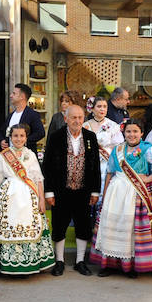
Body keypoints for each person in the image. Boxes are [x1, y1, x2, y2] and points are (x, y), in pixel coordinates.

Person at [91, 120, 152, 276]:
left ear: (142, 133)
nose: (132, 135)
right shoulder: (118, 149)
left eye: (135, 131)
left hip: (136, 193)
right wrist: (106, 192)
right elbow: (109, 171)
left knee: (131, 230)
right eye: (129, 131)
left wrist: (149, 179)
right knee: (112, 226)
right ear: (124, 133)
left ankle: (130, 266)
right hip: (116, 192)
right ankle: (109, 264)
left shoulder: (147, 149)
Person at [44, 103, 102, 275]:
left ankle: (80, 261)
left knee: (83, 225)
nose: (77, 121)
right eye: (73, 117)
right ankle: (59, 261)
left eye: (80, 117)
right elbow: (47, 165)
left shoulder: (90, 137)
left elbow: (95, 166)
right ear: (66, 119)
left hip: (83, 191)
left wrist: (94, 191)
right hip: (61, 190)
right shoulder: (55, 137)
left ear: (84, 119)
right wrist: (49, 191)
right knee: (59, 224)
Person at [0, 123, 54, 276]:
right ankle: (8, 264)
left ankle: (30, 262)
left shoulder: (31, 155)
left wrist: (41, 200)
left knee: (29, 225)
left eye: (21, 136)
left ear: (26, 138)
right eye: (15, 136)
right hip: (8, 195)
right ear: (10, 137)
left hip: (28, 194)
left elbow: (38, 178)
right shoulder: (4, 155)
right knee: (9, 225)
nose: (18, 139)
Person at [83, 97, 124, 185]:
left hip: (107, 164)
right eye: (99, 106)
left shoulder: (113, 126)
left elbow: (119, 146)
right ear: (92, 109)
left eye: (105, 106)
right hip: (89, 164)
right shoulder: (85, 126)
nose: (102, 109)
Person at [0, 83, 45, 154]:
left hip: (26, 156)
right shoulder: (10, 115)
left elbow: (40, 133)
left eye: (14, 93)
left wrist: (23, 141)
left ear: (22, 96)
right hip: (10, 156)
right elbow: (2, 132)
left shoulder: (32, 114)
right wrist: (2, 140)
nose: (10, 96)